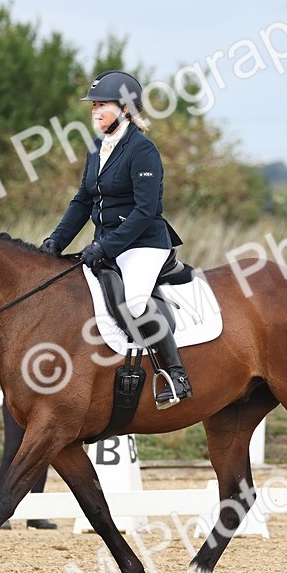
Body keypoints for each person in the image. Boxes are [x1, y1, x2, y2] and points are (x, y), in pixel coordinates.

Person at [39, 70, 192, 408]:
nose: (95, 111)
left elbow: (145, 209)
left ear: (125, 108)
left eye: (102, 104)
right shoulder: (97, 148)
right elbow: (83, 200)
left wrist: (105, 246)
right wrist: (56, 241)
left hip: (145, 243)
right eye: (93, 105)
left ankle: (176, 375)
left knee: (135, 302)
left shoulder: (142, 150)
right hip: (107, 243)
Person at [0, 404, 56, 530]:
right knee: (12, 450)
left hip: (43, 400)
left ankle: (35, 513)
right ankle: (1, 511)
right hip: (17, 398)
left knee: (41, 450)